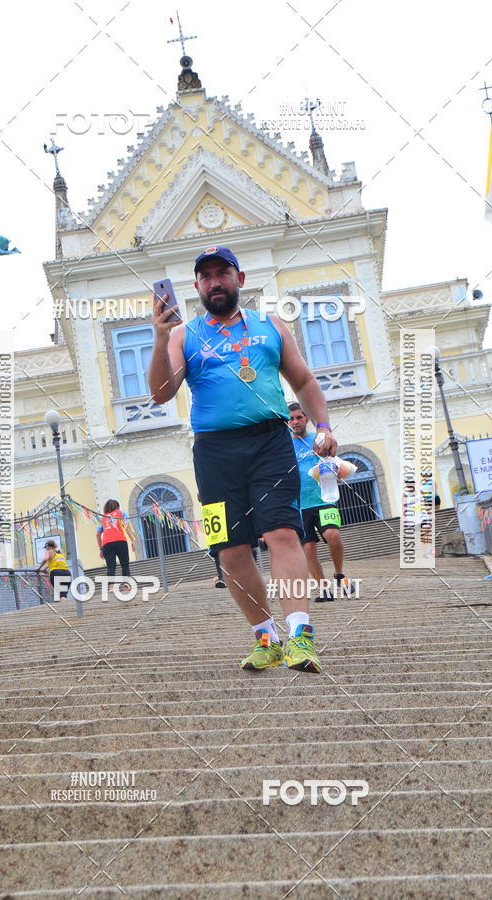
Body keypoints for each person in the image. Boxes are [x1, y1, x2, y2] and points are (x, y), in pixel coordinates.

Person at [149, 245, 337, 673]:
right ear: (197, 286)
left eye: (223, 273)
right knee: (230, 552)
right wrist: (160, 340)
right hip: (214, 453)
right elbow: (161, 393)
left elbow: (304, 379)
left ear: (240, 279)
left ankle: (301, 636)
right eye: (207, 276)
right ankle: (266, 638)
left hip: (270, 442)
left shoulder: (270, 324)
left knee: (283, 534)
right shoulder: (184, 334)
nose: (215, 281)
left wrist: (324, 428)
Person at [288, 403, 355, 601]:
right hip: (299, 505)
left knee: (333, 535)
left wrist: (335, 465)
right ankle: (324, 589)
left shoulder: (318, 440)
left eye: (299, 417)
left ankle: (338, 573)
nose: (295, 422)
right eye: (291, 419)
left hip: (324, 498)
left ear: (306, 418)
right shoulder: (284, 446)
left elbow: (336, 461)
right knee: (308, 549)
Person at [96, 500, 131, 590]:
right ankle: (126, 585)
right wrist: (132, 540)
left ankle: (111, 587)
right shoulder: (121, 513)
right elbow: (126, 527)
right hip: (120, 541)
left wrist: (101, 549)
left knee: (111, 566)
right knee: (125, 564)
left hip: (107, 543)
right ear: (117, 507)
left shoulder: (102, 518)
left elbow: (98, 534)